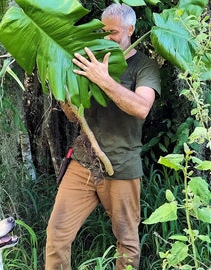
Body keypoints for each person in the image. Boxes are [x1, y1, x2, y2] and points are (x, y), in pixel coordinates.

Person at [45, 3, 161, 270]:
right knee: (57, 235)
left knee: (127, 241)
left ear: (131, 29)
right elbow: (75, 116)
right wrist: (61, 88)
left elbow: (141, 108)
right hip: (83, 162)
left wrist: (103, 79)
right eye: (102, 31)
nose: (106, 37)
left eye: (113, 32)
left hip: (121, 165)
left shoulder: (144, 66)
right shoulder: (91, 58)